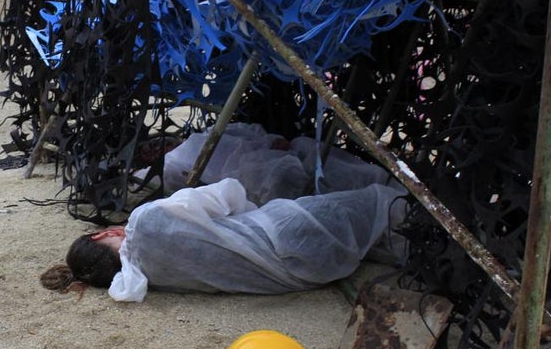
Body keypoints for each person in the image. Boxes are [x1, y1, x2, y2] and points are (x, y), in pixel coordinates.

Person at [41, 128, 407, 300]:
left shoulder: (151, 279)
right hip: (290, 231)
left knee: (375, 231)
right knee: (384, 201)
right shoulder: (144, 224)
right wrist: (251, 212)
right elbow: (227, 194)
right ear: (99, 235)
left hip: (301, 277)